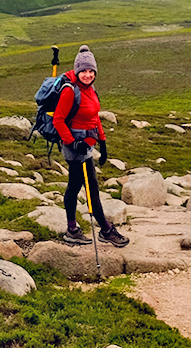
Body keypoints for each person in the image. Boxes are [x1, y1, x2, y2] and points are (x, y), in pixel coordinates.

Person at [54, 45, 129, 247]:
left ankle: (73, 229)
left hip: (87, 145)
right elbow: (58, 120)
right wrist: (72, 142)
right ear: (77, 71)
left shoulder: (90, 89)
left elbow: (94, 117)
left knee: (76, 185)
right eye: (84, 71)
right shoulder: (70, 91)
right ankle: (104, 230)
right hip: (75, 147)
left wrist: (102, 143)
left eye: (91, 71)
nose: (87, 75)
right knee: (90, 188)